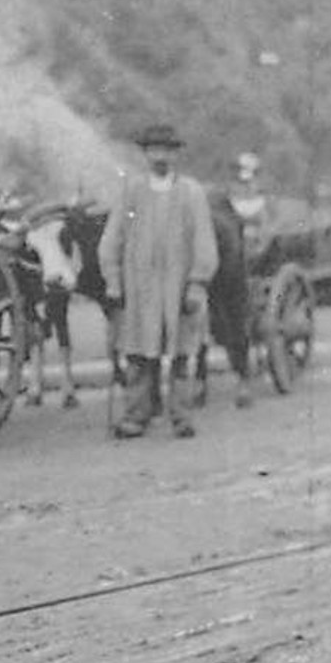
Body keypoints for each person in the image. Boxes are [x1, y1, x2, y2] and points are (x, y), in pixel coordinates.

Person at [97, 123, 218, 439]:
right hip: (140, 287)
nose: (159, 156)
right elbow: (113, 238)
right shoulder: (132, 191)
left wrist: (197, 281)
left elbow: (204, 240)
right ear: (145, 154)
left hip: (179, 287)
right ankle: (137, 414)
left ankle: (181, 415)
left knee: (180, 354)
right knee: (137, 353)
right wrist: (113, 280)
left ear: (175, 154)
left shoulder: (190, 192)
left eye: (166, 150)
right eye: (153, 150)